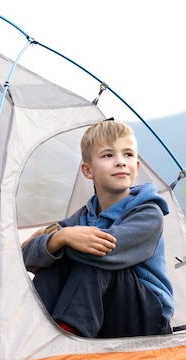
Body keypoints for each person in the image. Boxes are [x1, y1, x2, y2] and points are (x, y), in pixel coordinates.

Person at [22, 120, 173, 338]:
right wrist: (61, 237)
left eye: (128, 154)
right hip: (106, 316)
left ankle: (67, 340)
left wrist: (57, 240)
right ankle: (35, 335)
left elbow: (106, 250)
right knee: (53, 267)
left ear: (137, 167)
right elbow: (25, 257)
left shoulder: (149, 213)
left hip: (147, 320)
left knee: (94, 260)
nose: (120, 162)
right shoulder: (83, 217)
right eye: (108, 155)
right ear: (88, 170)